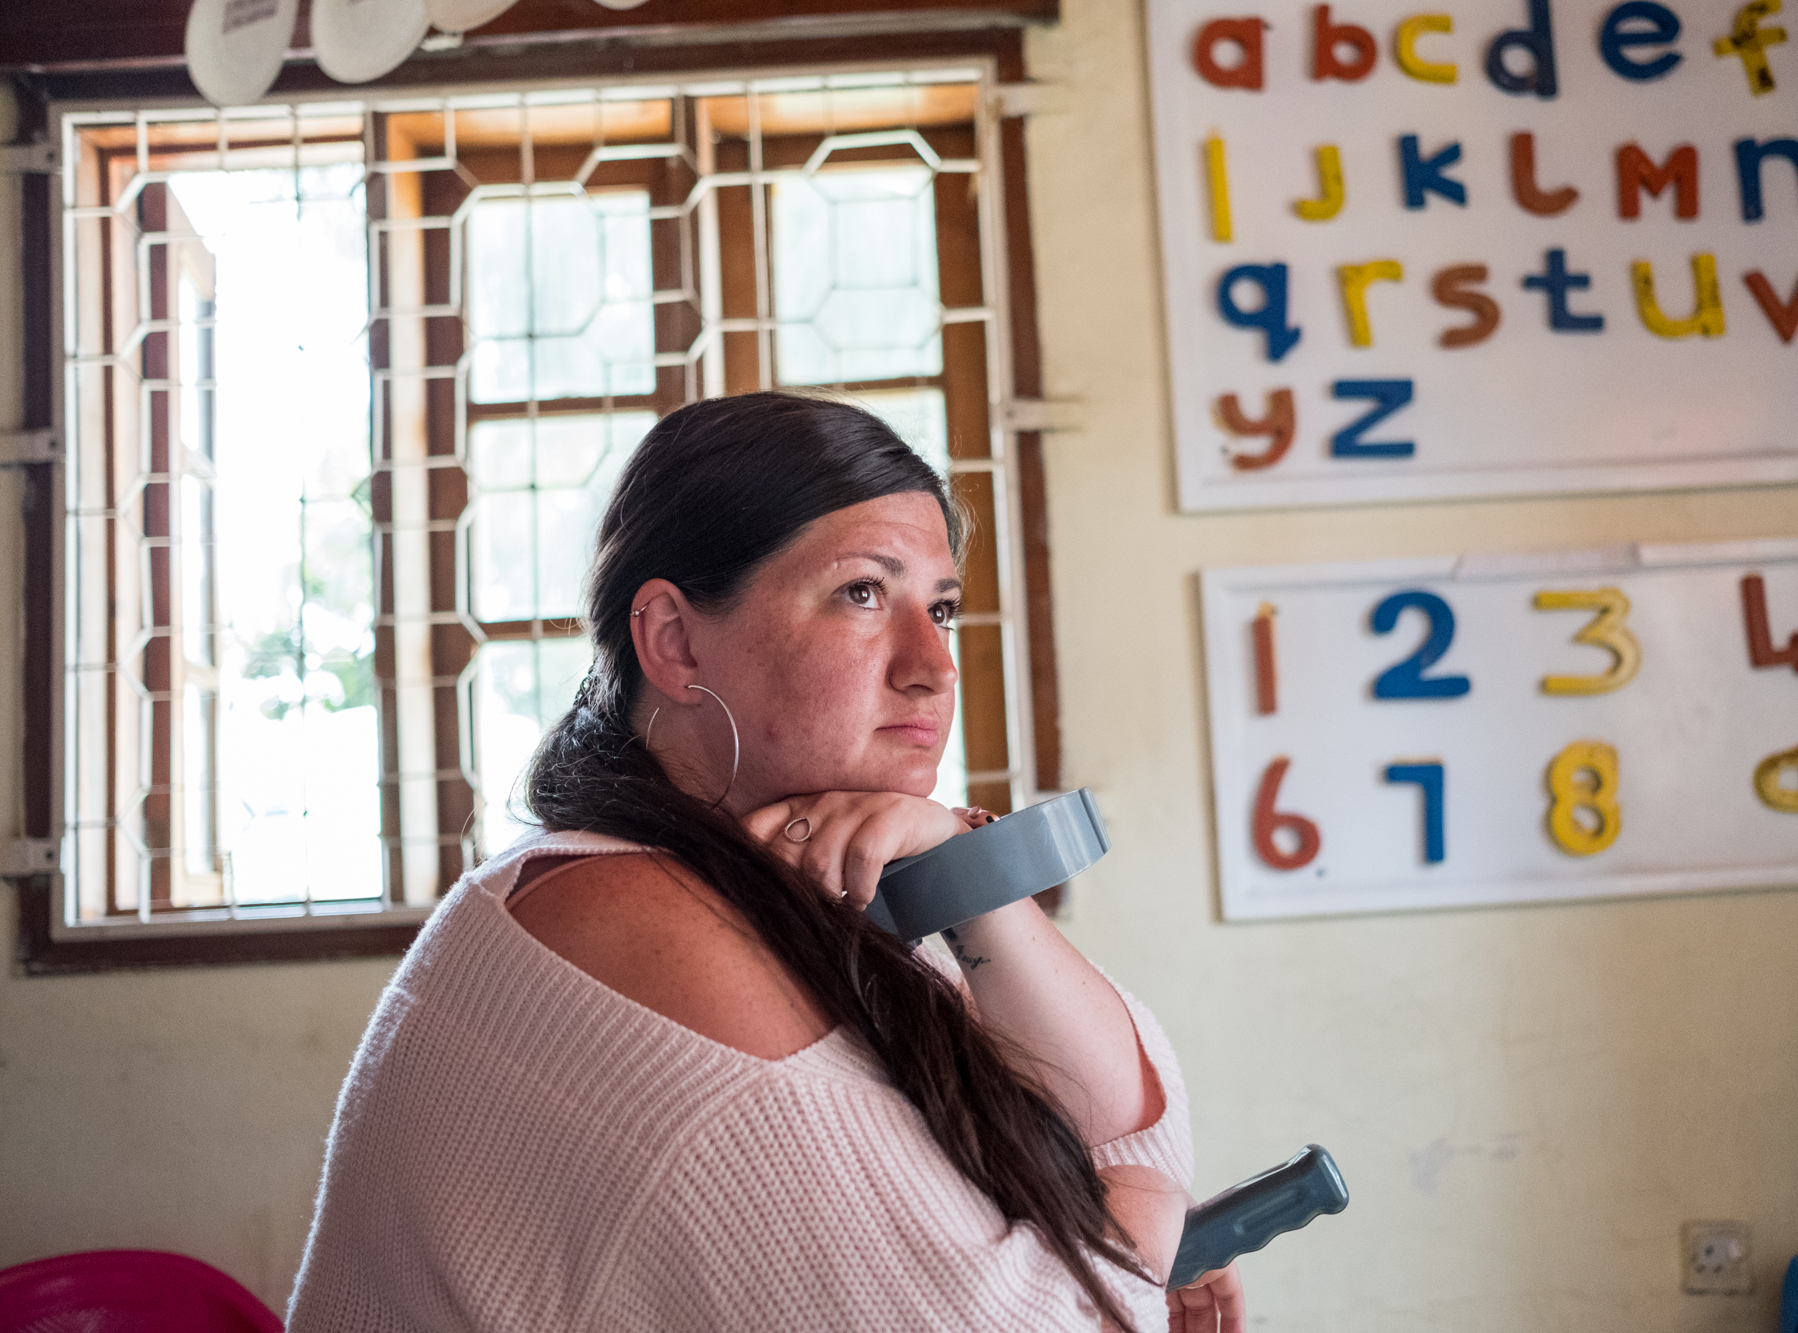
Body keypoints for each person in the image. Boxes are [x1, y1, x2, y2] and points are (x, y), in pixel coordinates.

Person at [288, 392, 1244, 1332]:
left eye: (941, 608)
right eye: (862, 593)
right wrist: (1145, 1215)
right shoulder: (633, 922)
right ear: (673, 640)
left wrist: (971, 876)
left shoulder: (790, 878)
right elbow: (1065, 1283)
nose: (934, 665)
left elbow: (1126, 1119)